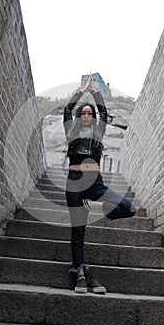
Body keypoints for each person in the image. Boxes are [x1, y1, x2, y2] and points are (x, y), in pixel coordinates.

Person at [63, 76, 136, 294]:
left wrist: (94, 93)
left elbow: (103, 111)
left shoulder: (98, 132)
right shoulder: (72, 131)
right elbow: (68, 108)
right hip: (75, 184)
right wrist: (81, 91)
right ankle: (80, 275)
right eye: (83, 112)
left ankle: (93, 206)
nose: (87, 115)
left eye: (90, 113)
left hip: (96, 184)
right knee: (78, 233)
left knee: (129, 208)